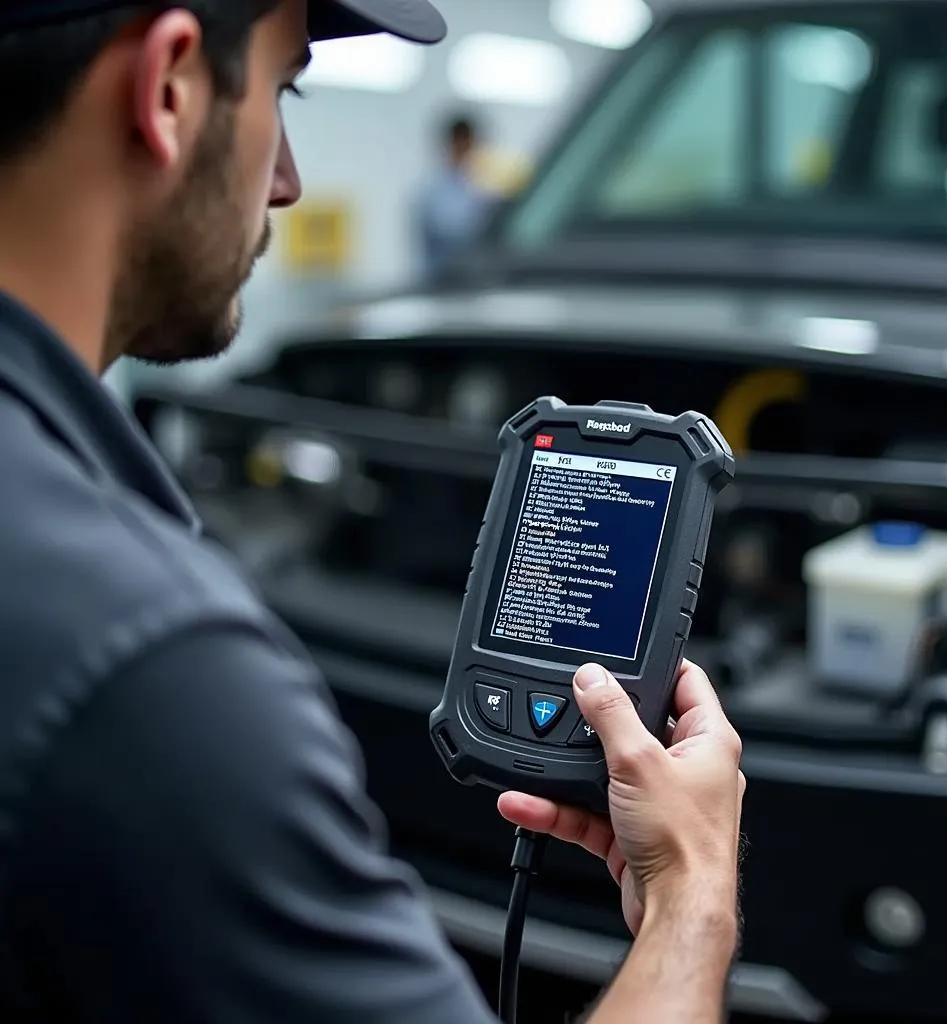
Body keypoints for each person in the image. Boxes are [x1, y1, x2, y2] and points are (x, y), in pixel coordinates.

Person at [0, 1, 746, 1022]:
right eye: (282, 87)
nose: (290, 180)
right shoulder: (146, 662)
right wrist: (692, 892)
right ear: (168, 86)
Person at [416, 113, 492, 280]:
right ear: (451, 144)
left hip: (475, 279)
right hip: (442, 280)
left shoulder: (483, 185)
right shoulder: (434, 190)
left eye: (469, 144)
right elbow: (451, 232)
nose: (465, 150)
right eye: (461, 144)